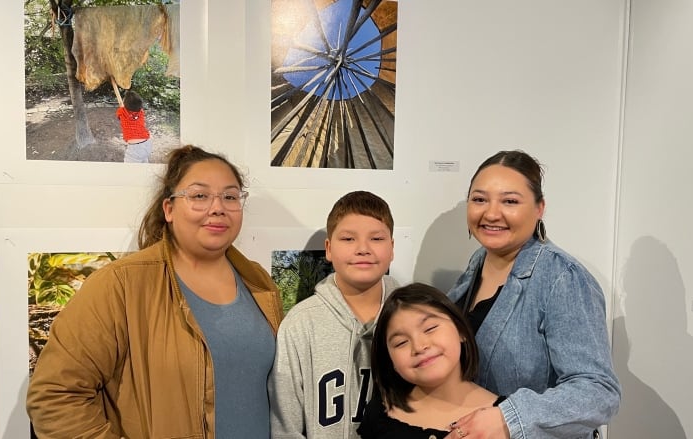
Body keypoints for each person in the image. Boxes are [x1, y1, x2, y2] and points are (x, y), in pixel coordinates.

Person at [27, 145, 284, 438]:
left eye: (230, 196)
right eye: (199, 196)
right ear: (169, 209)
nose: (218, 207)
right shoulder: (120, 285)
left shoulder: (258, 282)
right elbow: (55, 395)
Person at [445, 150, 620, 439]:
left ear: (539, 208)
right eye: (479, 199)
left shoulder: (563, 278)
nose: (490, 213)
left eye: (510, 201)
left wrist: (508, 418)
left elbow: (598, 391)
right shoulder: (479, 261)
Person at [269, 190, 399, 439]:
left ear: (392, 248)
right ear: (328, 249)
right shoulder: (300, 324)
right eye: (348, 239)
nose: (363, 249)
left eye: (377, 238)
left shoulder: (414, 316)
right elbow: (285, 426)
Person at [358, 282, 503, 439]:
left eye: (430, 328)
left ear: (461, 330)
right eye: (401, 342)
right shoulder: (379, 414)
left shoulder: (503, 420)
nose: (419, 347)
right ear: (390, 360)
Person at [112, 78, 152, 163]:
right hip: (147, 143)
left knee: (129, 170)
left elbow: (120, 112)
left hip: (135, 149)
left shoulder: (122, 113)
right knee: (144, 163)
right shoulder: (141, 113)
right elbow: (126, 109)